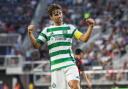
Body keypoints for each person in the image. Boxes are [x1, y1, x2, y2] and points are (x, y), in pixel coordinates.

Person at [28, 4, 95, 89]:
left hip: (69, 64)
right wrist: (30, 33)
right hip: (56, 68)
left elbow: (84, 38)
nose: (59, 16)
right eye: (56, 14)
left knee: (75, 86)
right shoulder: (47, 31)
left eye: (60, 13)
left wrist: (90, 27)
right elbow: (36, 45)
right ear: (51, 17)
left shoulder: (70, 28)